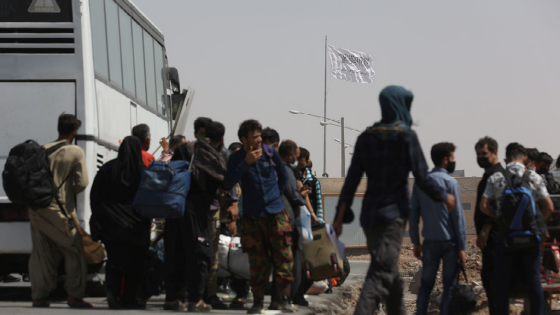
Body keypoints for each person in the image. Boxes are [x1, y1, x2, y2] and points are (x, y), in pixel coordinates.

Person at [332, 85, 455, 315]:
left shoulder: (365, 139)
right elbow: (422, 178)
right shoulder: (406, 137)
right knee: (380, 272)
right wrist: (445, 197)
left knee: (390, 273)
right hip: (393, 218)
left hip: (369, 217)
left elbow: (351, 182)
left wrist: (339, 217)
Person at [224, 119, 295, 314]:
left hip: (276, 214)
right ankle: (257, 302)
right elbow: (228, 181)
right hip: (253, 217)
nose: (259, 140)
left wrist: (274, 196)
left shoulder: (270, 152)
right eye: (255, 137)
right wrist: (246, 163)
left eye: (260, 136)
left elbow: (283, 176)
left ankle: (282, 300)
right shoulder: (236, 159)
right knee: (258, 262)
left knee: (283, 258)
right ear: (244, 139)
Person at [480, 142, 554, 315]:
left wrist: (500, 217)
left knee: (503, 282)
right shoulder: (534, 177)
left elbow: (484, 206)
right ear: (525, 158)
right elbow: (549, 206)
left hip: (507, 238)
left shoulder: (496, 178)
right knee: (534, 279)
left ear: (506, 159)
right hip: (531, 239)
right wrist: (536, 223)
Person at [28, 113, 92, 308]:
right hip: (60, 209)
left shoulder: (41, 149)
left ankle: (39, 296)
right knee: (74, 249)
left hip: (37, 208)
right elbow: (82, 182)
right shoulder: (75, 152)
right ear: (74, 131)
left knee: (41, 253)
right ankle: (74, 296)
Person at [164, 121, 228, 312]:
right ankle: (195, 299)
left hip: (175, 207)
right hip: (196, 211)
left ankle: (172, 298)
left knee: (175, 253)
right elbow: (225, 180)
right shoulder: (211, 153)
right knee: (201, 253)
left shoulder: (185, 148)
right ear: (221, 139)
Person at [89, 136, 151, 309]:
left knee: (115, 261)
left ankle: (113, 292)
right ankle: (129, 297)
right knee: (135, 263)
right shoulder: (143, 171)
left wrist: (99, 217)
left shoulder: (107, 169)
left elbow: (95, 196)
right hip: (136, 226)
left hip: (111, 225)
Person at [410, 142, 466, 315]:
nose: (454, 161)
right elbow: (458, 217)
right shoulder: (451, 183)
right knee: (449, 285)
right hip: (449, 243)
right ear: (445, 160)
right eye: (453, 158)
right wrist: (462, 247)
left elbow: (413, 215)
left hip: (430, 242)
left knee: (426, 285)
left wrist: (416, 242)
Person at [205, 123, 239, 310]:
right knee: (212, 253)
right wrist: (233, 203)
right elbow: (230, 180)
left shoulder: (192, 150)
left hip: (198, 209)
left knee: (207, 251)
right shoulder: (222, 154)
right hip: (211, 210)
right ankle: (208, 294)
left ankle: (198, 293)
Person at [473, 136, 504, 315]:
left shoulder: (497, 176)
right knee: (489, 280)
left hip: (495, 238)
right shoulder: (488, 176)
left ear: (494, 153)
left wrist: (485, 230)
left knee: (494, 281)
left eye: (484, 153)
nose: (480, 157)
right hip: (489, 241)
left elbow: (498, 207)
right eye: (478, 154)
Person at [298, 148, 322, 223]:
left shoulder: (314, 182)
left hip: (311, 221)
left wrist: (319, 221)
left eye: (301, 164)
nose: (299, 167)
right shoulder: (291, 178)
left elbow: (318, 204)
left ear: (308, 162)